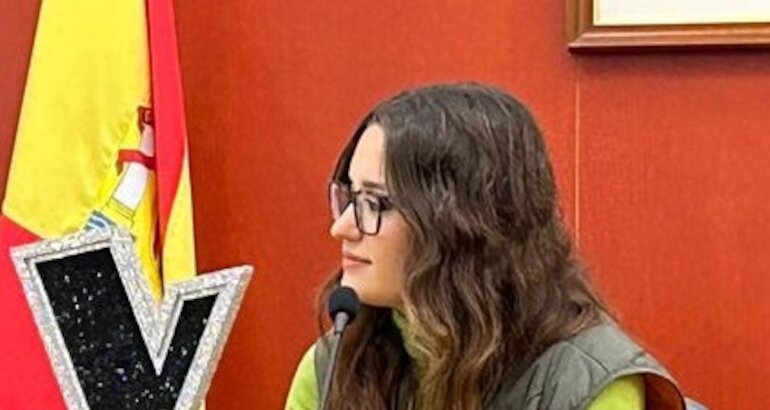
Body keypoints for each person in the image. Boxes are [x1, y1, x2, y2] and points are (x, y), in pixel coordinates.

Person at [285, 83, 685, 410]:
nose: (341, 227)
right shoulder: (333, 365)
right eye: (349, 197)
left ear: (460, 225)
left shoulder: (585, 383)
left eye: (375, 203)